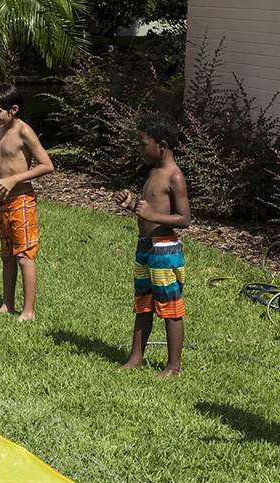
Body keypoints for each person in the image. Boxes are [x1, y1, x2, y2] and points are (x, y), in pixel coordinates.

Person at [114, 112, 191, 377]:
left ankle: (174, 366)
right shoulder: (155, 172)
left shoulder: (174, 176)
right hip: (145, 247)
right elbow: (149, 209)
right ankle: (136, 358)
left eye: (143, 144)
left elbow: (185, 219)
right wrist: (131, 204)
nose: (139, 149)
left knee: (170, 307)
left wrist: (151, 215)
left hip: (165, 250)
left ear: (162, 145)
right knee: (143, 303)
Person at [0, 83, 54, 321]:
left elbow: (47, 165)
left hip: (22, 200)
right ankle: (6, 304)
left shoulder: (24, 132)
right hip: (3, 200)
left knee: (24, 256)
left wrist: (14, 179)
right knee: (8, 255)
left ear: (13, 109)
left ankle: (28, 311)